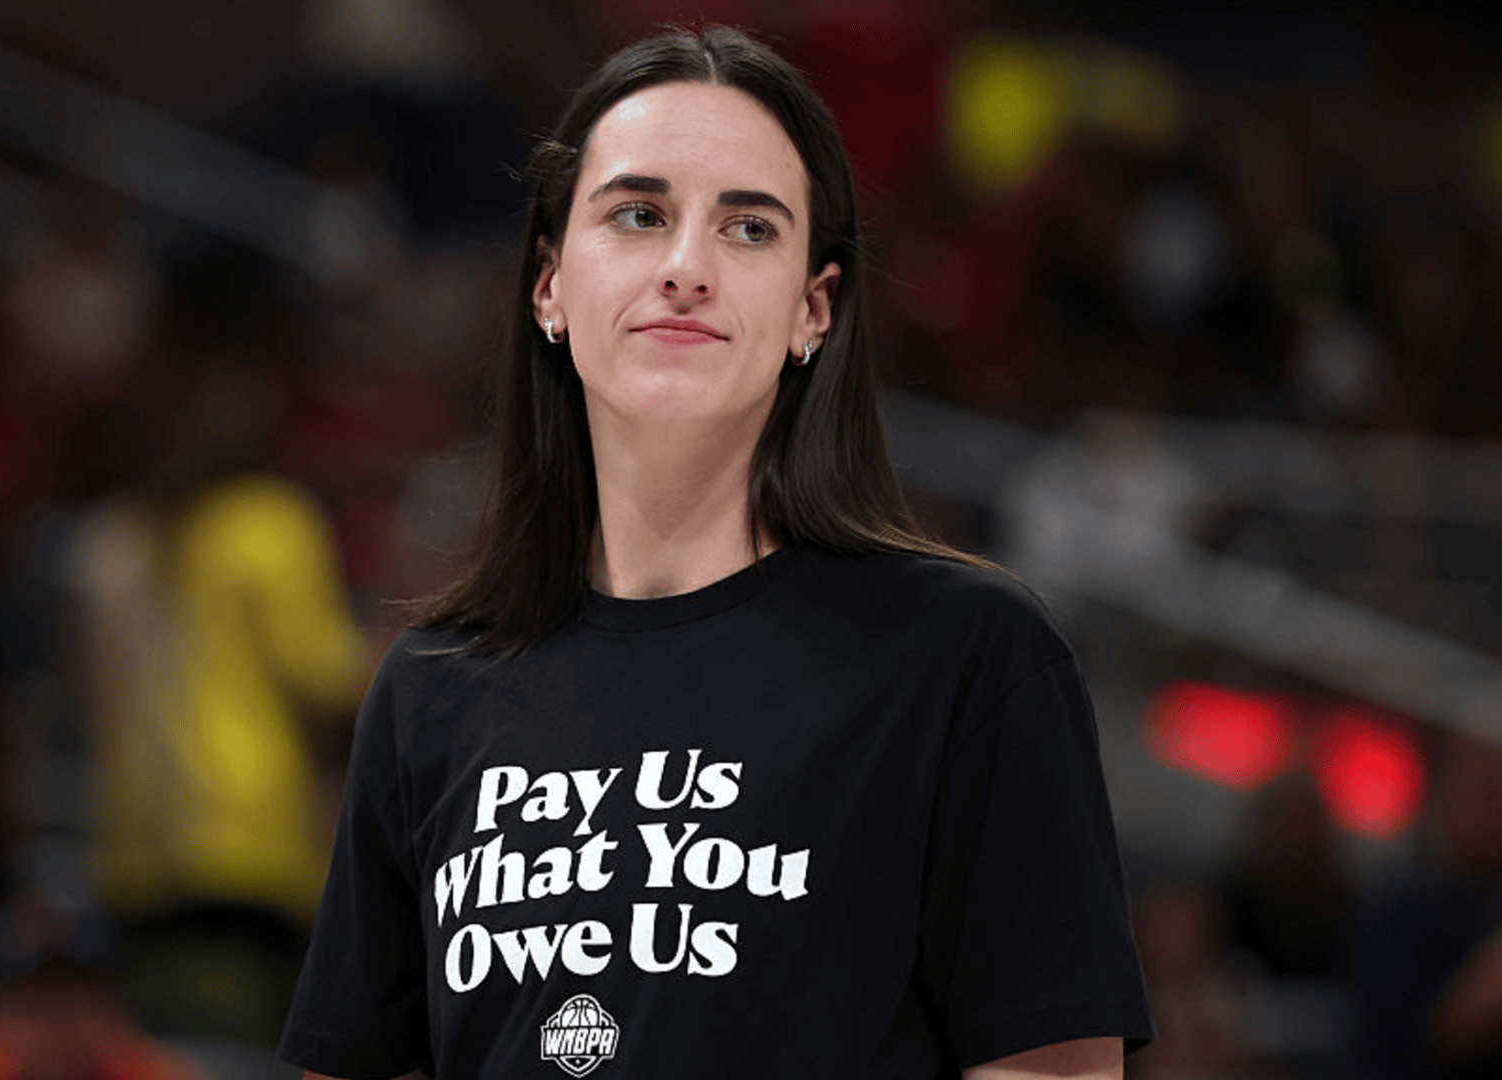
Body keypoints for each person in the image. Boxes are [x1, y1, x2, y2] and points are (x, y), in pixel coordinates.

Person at [282, 26, 1152, 1080]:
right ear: (549, 286)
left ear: (812, 311)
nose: (686, 268)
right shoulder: (432, 688)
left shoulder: (967, 656)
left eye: (748, 229)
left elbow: (1050, 1070)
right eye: (639, 216)